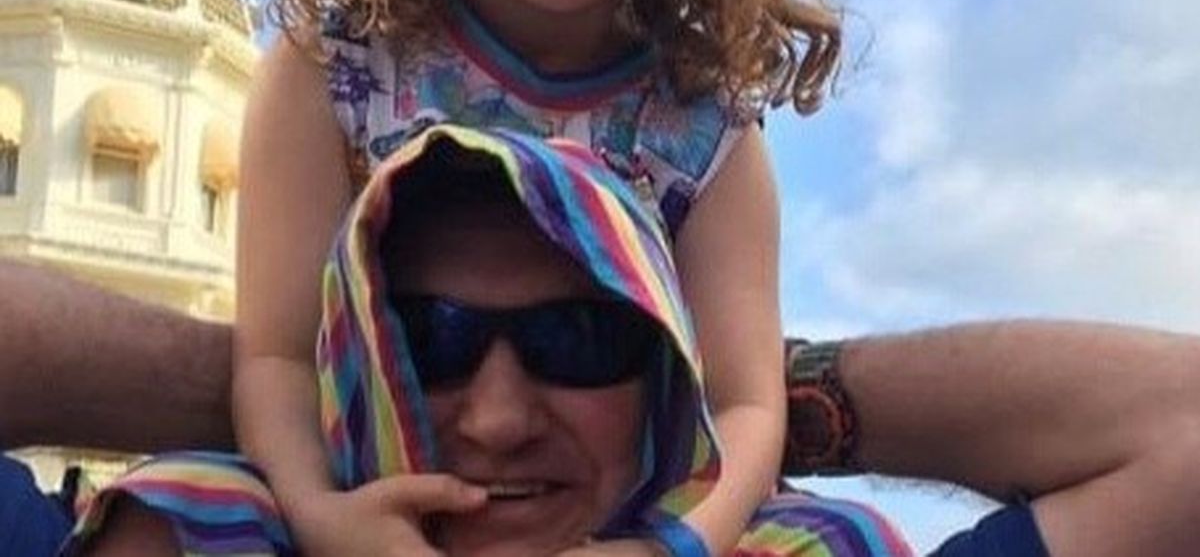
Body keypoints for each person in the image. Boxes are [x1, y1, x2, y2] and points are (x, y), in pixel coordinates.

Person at [237, 0, 839, 553]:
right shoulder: (330, 68)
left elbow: (744, 404)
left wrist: (669, 548)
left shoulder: (707, 131)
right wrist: (321, 516)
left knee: (839, 536)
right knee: (168, 510)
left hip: (610, 525)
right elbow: (278, 355)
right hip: (368, 512)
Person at [66, 125, 913, 556]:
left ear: (667, 386)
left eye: (578, 340)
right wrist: (318, 515)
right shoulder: (201, 534)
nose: (499, 421)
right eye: (426, 341)